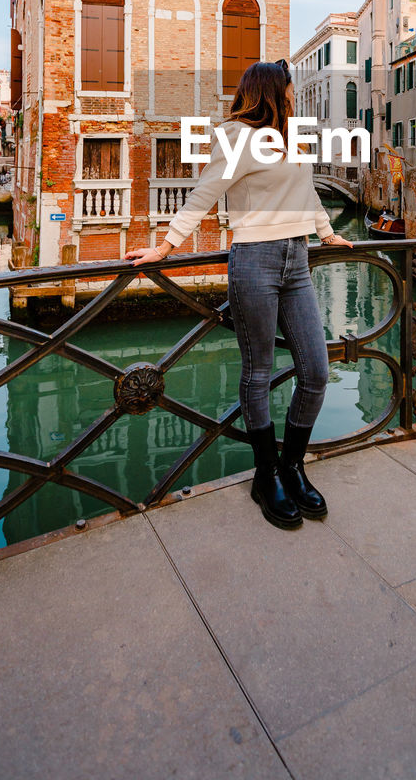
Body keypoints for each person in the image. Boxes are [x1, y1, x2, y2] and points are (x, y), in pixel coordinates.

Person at [125, 60, 352, 530]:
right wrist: (166, 246)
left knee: (316, 369)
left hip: (298, 258)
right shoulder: (235, 136)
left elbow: (306, 193)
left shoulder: (291, 136)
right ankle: (265, 476)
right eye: (289, 88)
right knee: (259, 373)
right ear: (274, 90)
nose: (294, 94)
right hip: (254, 260)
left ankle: (293, 465)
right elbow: (204, 193)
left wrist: (327, 235)